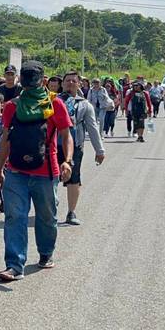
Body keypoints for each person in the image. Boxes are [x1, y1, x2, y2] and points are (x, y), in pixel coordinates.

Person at [0, 60, 73, 281]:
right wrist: (0, 169)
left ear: (43, 81)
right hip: (16, 172)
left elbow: (66, 135)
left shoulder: (55, 104)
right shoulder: (12, 106)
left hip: (46, 172)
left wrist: (68, 161)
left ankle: (46, 253)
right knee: (14, 217)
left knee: (47, 217)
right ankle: (14, 265)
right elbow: (6, 140)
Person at [59, 72, 106, 226]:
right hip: (53, 145)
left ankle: (71, 212)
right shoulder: (53, 101)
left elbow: (92, 127)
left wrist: (99, 150)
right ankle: (50, 209)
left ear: (79, 84)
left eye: (74, 81)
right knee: (49, 178)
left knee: (74, 178)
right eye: (67, 80)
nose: (70, 83)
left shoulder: (85, 105)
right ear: (63, 83)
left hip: (75, 145)